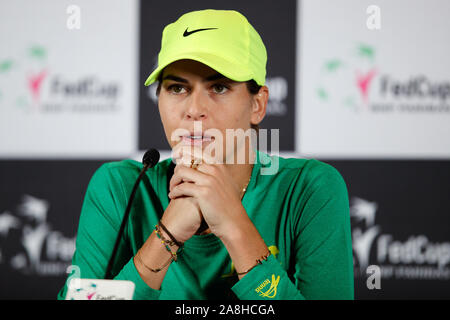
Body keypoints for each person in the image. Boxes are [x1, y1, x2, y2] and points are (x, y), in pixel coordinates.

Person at [57, 9, 354, 300]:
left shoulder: (310, 189)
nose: (194, 109)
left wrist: (233, 224)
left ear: (258, 105)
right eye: (176, 88)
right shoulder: (118, 188)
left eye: (219, 87)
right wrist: (167, 234)